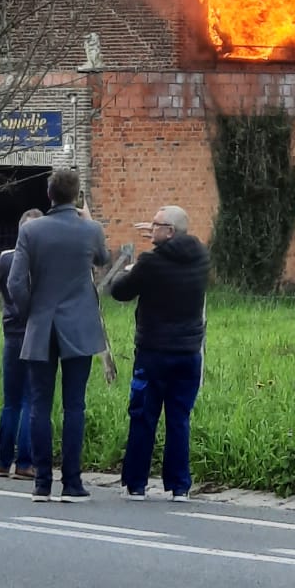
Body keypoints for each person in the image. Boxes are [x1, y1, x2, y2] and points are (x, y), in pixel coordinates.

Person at [6, 167, 109, 504]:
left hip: (41, 324)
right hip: (79, 324)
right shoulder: (90, 229)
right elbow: (104, 259)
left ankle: (41, 483)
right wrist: (89, 219)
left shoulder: (31, 230)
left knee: (39, 405)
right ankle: (72, 482)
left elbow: (15, 283)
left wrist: (29, 313)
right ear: (76, 195)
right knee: (74, 406)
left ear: (49, 194)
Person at [111, 205, 210, 502]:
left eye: (155, 224)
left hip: (153, 353)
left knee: (143, 417)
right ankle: (180, 486)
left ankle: (136, 484)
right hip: (188, 352)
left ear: (169, 231)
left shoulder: (150, 263)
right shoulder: (201, 258)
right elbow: (172, 253)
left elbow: (120, 292)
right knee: (179, 419)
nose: (150, 227)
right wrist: (155, 241)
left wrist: (131, 269)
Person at [0, 207, 42, 478]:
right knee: (30, 400)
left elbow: (1, 287)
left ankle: (2, 461)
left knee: (10, 401)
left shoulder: (5, 258)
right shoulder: (43, 259)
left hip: (11, 330)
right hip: (34, 331)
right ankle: (24, 463)